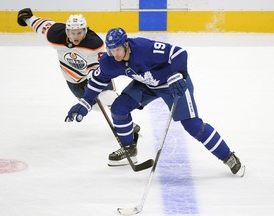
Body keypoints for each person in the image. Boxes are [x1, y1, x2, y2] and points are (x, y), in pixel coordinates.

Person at [64, 27, 246, 177]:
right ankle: (129, 149)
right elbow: (97, 81)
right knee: (119, 108)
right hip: (147, 84)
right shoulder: (110, 60)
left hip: (173, 83)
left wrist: (177, 75)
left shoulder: (144, 48)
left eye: (118, 49)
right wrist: (85, 102)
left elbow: (179, 53)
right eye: (111, 50)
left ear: (126, 44)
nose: (115, 54)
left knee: (192, 125)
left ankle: (228, 156)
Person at [17, 9, 140, 166]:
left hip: (93, 75)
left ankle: (127, 125)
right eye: (73, 32)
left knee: (108, 97)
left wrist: (92, 80)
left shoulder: (94, 43)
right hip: (72, 80)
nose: (76, 36)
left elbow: (96, 69)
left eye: (80, 32)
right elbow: (40, 25)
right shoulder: (55, 34)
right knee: (95, 107)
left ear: (85, 30)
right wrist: (28, 17)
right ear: (67, 31)